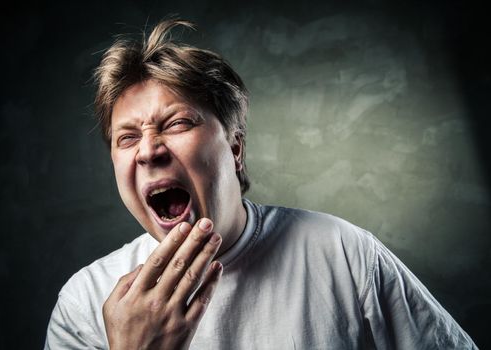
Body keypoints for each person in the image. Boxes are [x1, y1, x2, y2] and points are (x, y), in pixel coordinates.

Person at [45, 19, 477, 349]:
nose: (148, 150)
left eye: (176, 123)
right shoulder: (86, 302)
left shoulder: (345, 255)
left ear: (235, 148)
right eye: (128, 137)